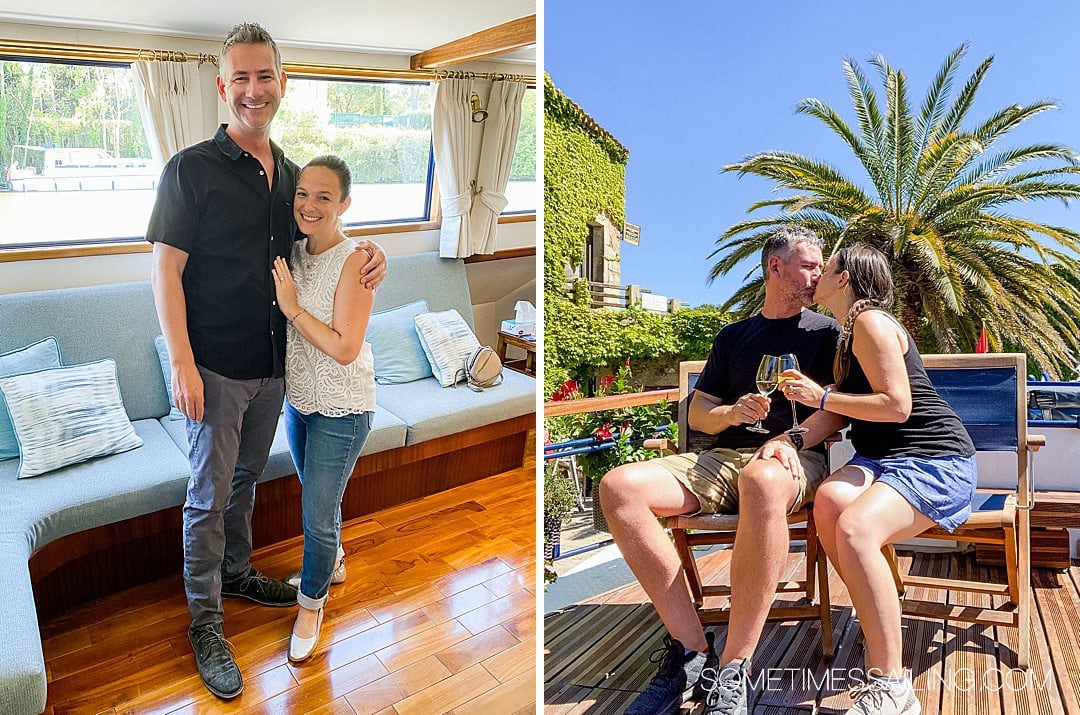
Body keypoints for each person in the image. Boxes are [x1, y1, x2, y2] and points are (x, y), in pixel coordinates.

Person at [147, 23, 386, 699]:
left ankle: (238, 569)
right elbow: (164, 271)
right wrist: (182, 362)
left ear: (282, 83)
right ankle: (206, 623)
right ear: (224, 88)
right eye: (241, 78)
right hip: (215, 368)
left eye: (265, 76)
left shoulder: (289, 174)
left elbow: (325, 237)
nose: (254, 90)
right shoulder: (189, 169)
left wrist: (374, 255)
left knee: (246, 479)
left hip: (275, 369)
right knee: (207, 495)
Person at [599, 226, 841, 715]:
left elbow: (837, 409)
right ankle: (692, 650)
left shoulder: (827, 333)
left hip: (797, 456)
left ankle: (735, 667)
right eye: (809, 265)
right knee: (618, 487)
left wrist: (791, 438)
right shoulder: (735, 336)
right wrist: (732, 414)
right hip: (720, 458)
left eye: (820, 266)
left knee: (761, 479)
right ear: (776, 267)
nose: (819, 274)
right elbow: (697, 412)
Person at [767, 244, 976, 715]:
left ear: (845, 280)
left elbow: (897, 405)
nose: (817, 274)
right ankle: (877, 614)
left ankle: (892, 686)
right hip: (884, 458)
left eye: (828, 267)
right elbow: (838, 410)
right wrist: (793, 437)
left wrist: (822, 398)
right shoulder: (849, 332)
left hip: (932, 459)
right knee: (829, 502)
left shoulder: (871, 322)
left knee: (856, 529)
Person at [269, 155, 376, 662]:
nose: (309, 206)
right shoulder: (291, 252)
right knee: (318, 497)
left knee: (315, 514)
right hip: (301, 402)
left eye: (324, 197)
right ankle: (331, 561)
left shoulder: (356, 259)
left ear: (344, 205)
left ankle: (311, 605)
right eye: (303, 195)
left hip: (343, 407)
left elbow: (344, 347)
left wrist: (292, 308)